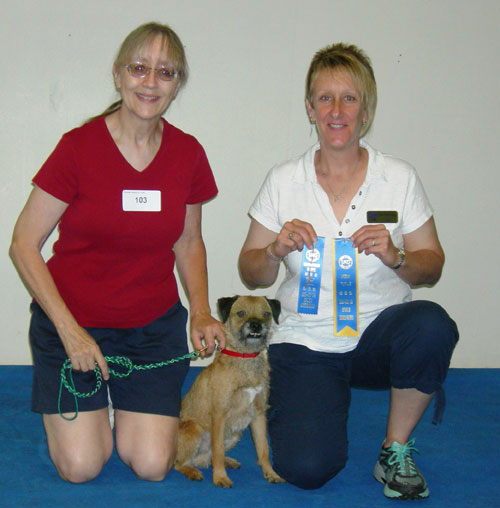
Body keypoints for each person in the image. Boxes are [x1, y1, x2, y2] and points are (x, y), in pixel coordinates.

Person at [238, 43, 458, 500]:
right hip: (305, 337)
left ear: (366, 110)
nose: (336, 111)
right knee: (307, 469)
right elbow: (251, 272)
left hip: (379, 335)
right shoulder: (283, 179)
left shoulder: (399, 177)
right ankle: (303, 399)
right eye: (325, 98)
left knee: (431, 325)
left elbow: (432, 265)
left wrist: (397, 256)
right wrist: (275, 249)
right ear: (310, 108)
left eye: (349, 98)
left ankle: (394, 448)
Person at [9, 22, 226, 484]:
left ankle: (117, 408)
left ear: (178, 84)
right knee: (81, 467)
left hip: (149, 331)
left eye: (165, 72)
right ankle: (93, 418)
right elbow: (23, 244)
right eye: (139, 68)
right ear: (117, 74)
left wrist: (201, 311)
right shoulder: (77, 148)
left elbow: (189, 241)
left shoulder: (188, 153)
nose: (150, 82)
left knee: (152, 466)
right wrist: (70, 332)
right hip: (72, 326)